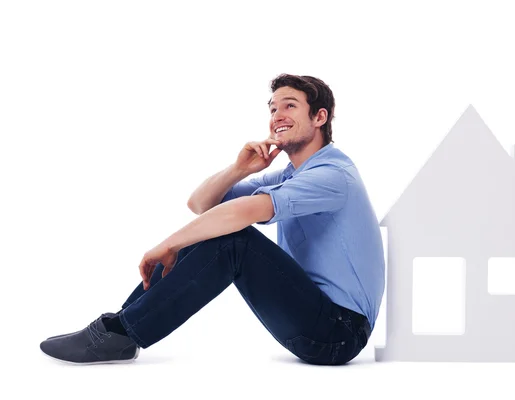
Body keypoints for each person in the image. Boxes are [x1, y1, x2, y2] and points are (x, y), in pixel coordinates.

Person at [40, 73, 385, 366]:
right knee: (219, 230)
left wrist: (167, 244)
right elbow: (201, 204)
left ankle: (121, 333)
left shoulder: (333, 174)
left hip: (340, 333)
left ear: (320, 118)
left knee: (234, 239)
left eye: (290, 106)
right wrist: (239, 169)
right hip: (314, 318)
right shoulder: (288, 175)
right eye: (273, 108)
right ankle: (119, 327)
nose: (277, 115)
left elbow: (238, 215)